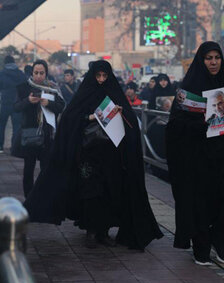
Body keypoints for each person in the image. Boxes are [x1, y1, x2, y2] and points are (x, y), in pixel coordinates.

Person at [24, 60, 163, 250]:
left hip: (111, 153)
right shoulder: (85, 93)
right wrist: (91, 117)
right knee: (91, 191)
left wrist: (120, 113)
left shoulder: (114, 93)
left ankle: (103, 231)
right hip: (88, 153)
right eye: (98, 76)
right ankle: (91, 230)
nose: (101, 80)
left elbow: (130, 120)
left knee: (109, 190)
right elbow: (70, 118)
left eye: (105, 76)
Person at [165, 41, 224, 266]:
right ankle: (202, 244)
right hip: (198, 156)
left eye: (217, 57)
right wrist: (200, 124)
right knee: (202, 202)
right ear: (202, 60)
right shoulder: (189, 86)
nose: (213, 62)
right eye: (209, 58)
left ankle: (219, 236)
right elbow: (175, 124)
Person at [13, 60, 64, 197]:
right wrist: (28, 101)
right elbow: (16, 107)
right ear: (32, 73)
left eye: (42, 73)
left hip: (48, 135)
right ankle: (29, 198)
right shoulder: (23, 88)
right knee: (28, 169)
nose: (39, 76)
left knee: (46, 169)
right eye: (36, 73)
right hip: (30, 134)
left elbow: (61, 107)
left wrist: (49, 103)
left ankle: (43, 199)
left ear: (46, 74)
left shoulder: (53, 88)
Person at [0, 55, 27, 153]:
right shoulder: (20, 74)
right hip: (17, 103)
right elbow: (24, 86)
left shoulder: (2, 73)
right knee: (16, 126)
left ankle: (0, 146)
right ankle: (14, 148)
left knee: (2, 125)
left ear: (5, 63)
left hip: (5, 102)